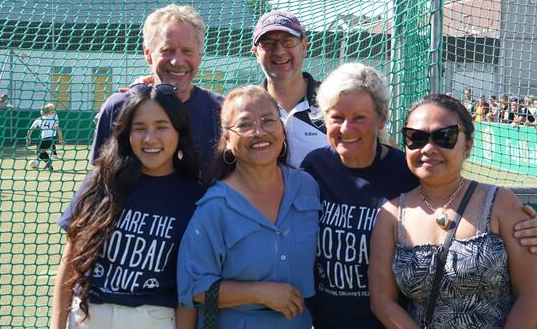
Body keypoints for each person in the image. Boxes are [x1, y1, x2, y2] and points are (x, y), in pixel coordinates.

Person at [369, 94, 537, 328]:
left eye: (444, 137)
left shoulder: (500, 203)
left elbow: (531, 294)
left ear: (467, 146)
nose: (428, 148)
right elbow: (382, 300)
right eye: (416, 138)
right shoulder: (391, 215)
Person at [51, 83, 204, 329]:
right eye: (139, 128)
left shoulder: (194, 196)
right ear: (127, 134)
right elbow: (70, 260)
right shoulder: (102, 180)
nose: (149, 138)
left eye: (162, 127)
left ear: (179, 132)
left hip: (154, 319)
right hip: (88, 316)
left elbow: (187, 288)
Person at [177, 85, 322, 328]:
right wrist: (260, 292)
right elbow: (193, 289)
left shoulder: (307, 185)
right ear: (227, 138)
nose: (259, 131)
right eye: (245, 125)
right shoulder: (215, 206)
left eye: (268, 120)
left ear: (282, 129)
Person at [299, 62, 419, 328]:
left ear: (382, 119)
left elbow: (454, 205)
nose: (345, 128)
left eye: (359, 118)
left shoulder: (405, 172)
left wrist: (519, 224)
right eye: (337, 117)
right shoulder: (313, 167)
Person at [90, 4, 223, 181]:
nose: (177, 61)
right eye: (166, 50)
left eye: (187, 51)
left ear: (199, 56)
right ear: (148, 54)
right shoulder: (118, 108)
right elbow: (100, 181)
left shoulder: (222, 111)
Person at [252, 10, 328, 166]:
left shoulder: (334, 102)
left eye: (288, 41)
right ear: (256, 53)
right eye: (268, 43)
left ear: (304, 46)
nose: (279, 51)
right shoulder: (246, 108)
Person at [26, 103, 64, 171]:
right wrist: (60, 138)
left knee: (39, 151)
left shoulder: (39, 119)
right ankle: (47, 163)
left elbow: (31, 129)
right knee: (39, 152)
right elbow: (58, 128)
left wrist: (28, 137)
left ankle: (48, 164)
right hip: (52, 138)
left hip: (47, 138)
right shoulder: (53, 118)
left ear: (41, 112)